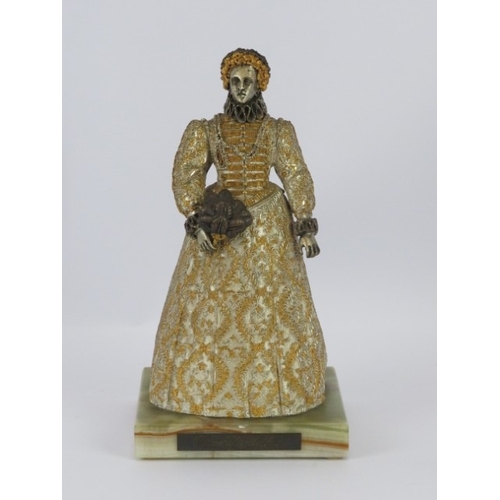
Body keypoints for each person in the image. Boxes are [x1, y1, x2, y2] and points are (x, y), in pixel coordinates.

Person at [149, 49, 327, 418]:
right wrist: (196, 217)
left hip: (268, 227)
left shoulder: (278, 131)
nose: (241, 88)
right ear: (226, 85)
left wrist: (304, 223)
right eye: (235, 82)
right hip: (219, 223)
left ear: (261, 84)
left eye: (248, 81)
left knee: (270, 304)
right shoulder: (207, 130)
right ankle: (204, 392)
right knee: (207, 306)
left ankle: (274, 392)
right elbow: (187, 173)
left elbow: (295, 173)